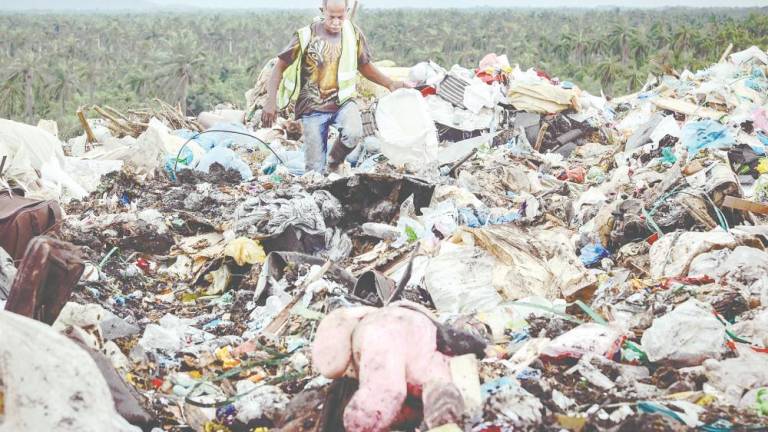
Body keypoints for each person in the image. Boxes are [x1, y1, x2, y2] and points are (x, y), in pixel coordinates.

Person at [261, 0, 406, 174]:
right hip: (312, 107)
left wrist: (390, 83)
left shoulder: (353, 34)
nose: (336, 22)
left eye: (340, 16)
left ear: (347, 11)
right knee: (314, 172)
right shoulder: (306, 36)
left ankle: (333, 162)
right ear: (322, 10)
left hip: (343, 102)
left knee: (354, 133)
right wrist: (271, 101)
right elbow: (279, 67)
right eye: (331, 17)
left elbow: (365, 66)